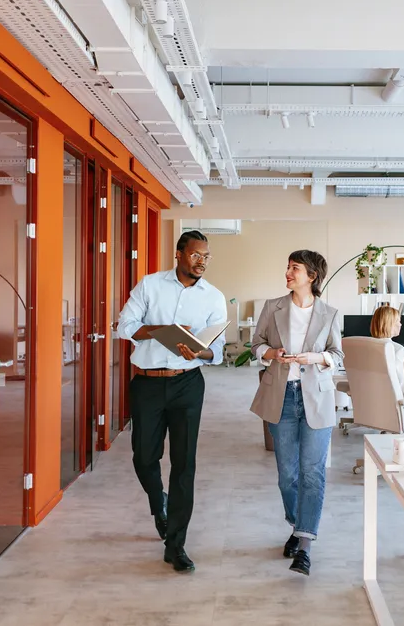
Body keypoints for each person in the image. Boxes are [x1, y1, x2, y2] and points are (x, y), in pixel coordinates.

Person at [116, 230, 228, 573]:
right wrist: (162, 329)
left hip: (188, 385)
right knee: (144, 456)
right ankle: (157, 502)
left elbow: (218, 352)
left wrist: (200, 349)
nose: (202, 262)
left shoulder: (214, 297)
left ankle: (176, 544)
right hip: (148, 384)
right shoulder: (149, 285)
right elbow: (124, 327)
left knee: (184, 464)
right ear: (179, 254)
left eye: (207, 257)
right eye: (196, 255)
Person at [250, 250, 343, 577]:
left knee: (312, 472)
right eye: (288, 267)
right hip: (282, 398)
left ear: (311, 276)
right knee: (287, 475)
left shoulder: (329, 313)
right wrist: (271, 352)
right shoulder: (272, 307)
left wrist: (315, 358)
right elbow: (255, 346)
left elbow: (337, 355)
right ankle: (297, 524)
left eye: (295, 268)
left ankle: (304, 545)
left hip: (316, 399)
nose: (288, 273)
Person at [370, 305, 404, 393]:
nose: (400, 324)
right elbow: (403, 386)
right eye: (398, 321)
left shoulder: (364, 347)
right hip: (393, 404)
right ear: (389, 324)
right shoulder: (398, 350)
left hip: (368, 401)